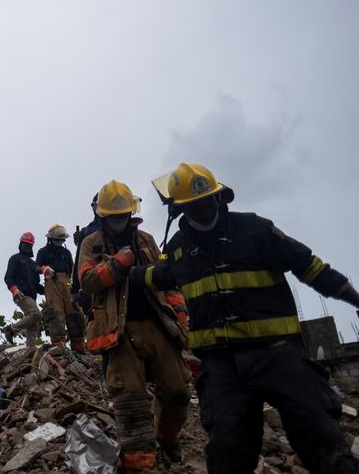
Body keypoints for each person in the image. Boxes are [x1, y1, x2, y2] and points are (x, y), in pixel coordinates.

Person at [134, 163, 359, 474]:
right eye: (193, 205)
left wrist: (356, 299)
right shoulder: (177, 250)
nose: (203, 209)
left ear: (219, 197)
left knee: (320, 434)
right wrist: (118, 275)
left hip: (280, 355)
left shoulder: (255, 230)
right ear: (180, 208)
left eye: (207, 200)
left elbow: (311, 267)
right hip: (223, 368)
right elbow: (151, 277)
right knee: (228, 449)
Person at [78, 180, 191, 471]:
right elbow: (87, 282)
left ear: (132, 212)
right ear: (102, 217)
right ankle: (140, 466)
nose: (119, 220)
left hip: (157, 325)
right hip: (119, 332)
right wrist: (118, 264)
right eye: (113, 216)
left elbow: (168, 282)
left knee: (178, 392)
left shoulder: (147, 240)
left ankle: (166, 439)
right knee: (131, 401)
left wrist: (180, 316)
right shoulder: (92, 243)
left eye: (123, 214)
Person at [36, 224, 87, 351]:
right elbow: (35, 267)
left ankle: (78, 345)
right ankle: (59, 345)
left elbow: (72, 268)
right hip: (51, 283)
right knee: (55, 313)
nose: (60, 242)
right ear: (51, 239)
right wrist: (44, 269)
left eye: (62, 239)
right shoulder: (43, 252)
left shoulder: (66, 253)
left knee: (74, 311)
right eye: (58, 239)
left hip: (67, 282)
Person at [2, 232, 43, 347]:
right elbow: (8, 277)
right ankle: (11, 329)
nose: (27, 247)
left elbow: (37, 285)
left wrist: (48, 289)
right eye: (25, 244)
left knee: (33, 324)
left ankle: (30, 349)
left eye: (29, 245)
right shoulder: (15, 259)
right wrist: (14, 289)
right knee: (36, 314)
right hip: (21, 294)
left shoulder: (32, 264)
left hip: (32, 296)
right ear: (21, 244)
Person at [71, 193, 101, 317]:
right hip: (92, 283)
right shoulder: (87, 231)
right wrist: (75, 290)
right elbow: (80, 261)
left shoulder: (127, 228)